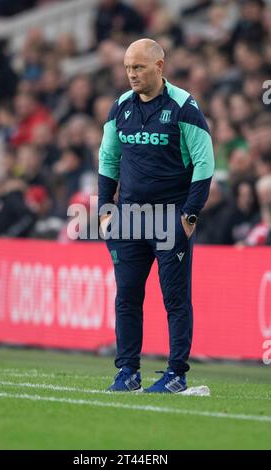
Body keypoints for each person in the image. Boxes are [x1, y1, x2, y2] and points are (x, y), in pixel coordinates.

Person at [98, 39, 214, 393]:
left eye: (139, 67)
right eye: (128, 68)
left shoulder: (184, 107)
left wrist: (189, 216)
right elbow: (108, 159)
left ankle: (176, 373)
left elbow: (205, 164)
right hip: (130, 219)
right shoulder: (120, 107)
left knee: (174, 299)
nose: (131, 74)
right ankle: (128, 371)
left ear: (159, 67)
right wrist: (105, 211)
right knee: (127, 296)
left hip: (170, 218)